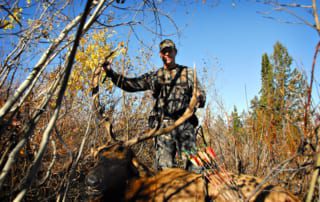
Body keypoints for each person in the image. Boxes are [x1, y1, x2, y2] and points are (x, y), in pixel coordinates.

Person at [102, 39, 206, 172]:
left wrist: (199, 97)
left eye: (170, 51)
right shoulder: (155, 76)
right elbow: (131, 84)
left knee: (194, 168)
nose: (167, 54)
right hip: (163, 128)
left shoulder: (189, 73)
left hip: (185, 128)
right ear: (160, 55)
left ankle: (197, 192)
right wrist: (111, 73)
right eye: (164, 52)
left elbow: (201, 95)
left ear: (175, 52)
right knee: (164, 171)